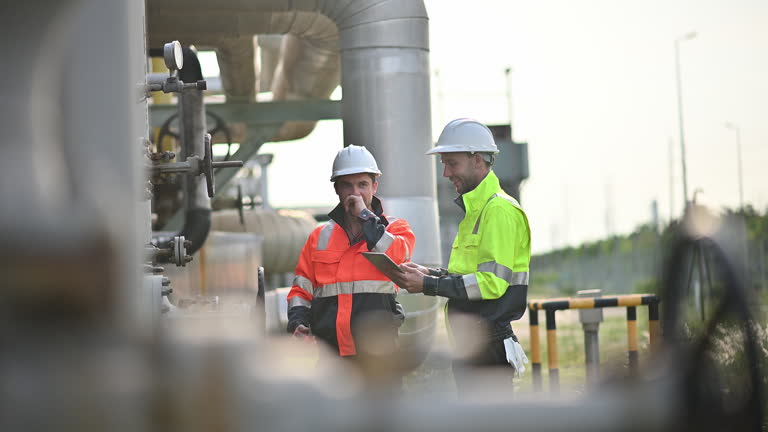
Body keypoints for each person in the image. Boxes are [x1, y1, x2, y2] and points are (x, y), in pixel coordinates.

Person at [392, 118, 531, 393]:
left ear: (477, 160)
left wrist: (429, 285)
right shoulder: (476, 212)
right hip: (474, 344)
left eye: (451, 163)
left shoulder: (499, 211)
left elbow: (490, 283)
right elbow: (466, 278)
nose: (445, 173)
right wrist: (428, 274)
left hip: (488, 347)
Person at [286, 145, 416, 361]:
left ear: (374, 187)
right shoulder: (318, 237)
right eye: (347, 185)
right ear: (337, 189)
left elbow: (397, 256)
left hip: (379, 354)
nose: (355, 193)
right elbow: (301, 290)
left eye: (362, 185)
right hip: (330, 355)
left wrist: (364, 216)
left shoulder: (396, 229)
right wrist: (298, 323)